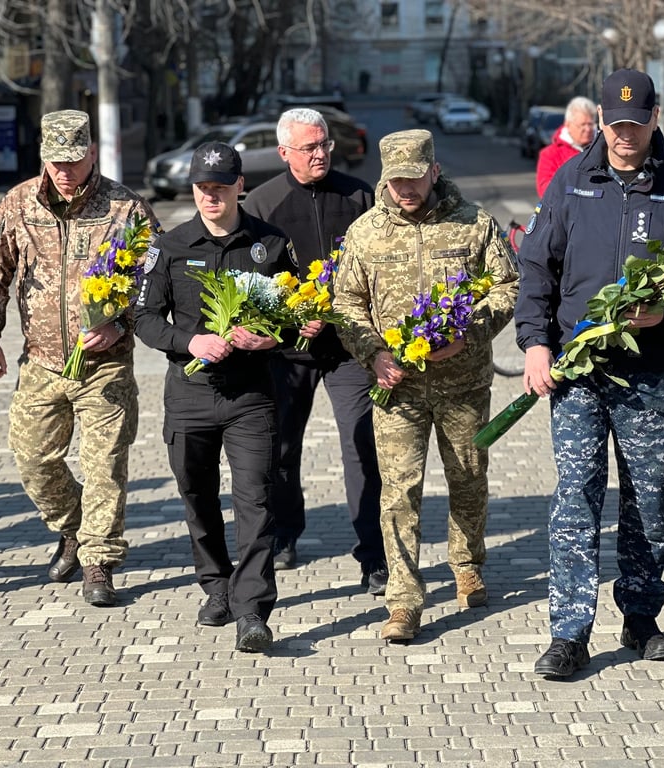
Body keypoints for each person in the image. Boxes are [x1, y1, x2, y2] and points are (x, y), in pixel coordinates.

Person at [515, 69, 664, 679]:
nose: (625, 136)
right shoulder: (572, 180)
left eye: (636, 125)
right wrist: (534, 344)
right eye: (615, 125)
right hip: (579, 373)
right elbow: (535, 267)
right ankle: (569, 632)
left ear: (655, 117)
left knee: (648, 501)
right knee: (575, 498)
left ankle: (640, 617)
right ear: (602, 122)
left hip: (653, 376)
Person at [334, 129, 519, 642]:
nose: (405, 190)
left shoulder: (474, 223)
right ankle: (404, 601)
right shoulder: (365, 233)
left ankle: (466, 562)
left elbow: (509, 285)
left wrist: (471, 332)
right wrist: (373, 353)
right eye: (395, 182)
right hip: (398, 388)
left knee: (467, 475)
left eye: (414, 179)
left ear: (433, 171)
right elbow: (345, 303)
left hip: (463, 381)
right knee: (399, 492)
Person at [0, 109, 157, 608]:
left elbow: (155, 283)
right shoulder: (18, 203)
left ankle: (99, 562)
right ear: (43, 158)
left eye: (74, 159)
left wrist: (121, 324)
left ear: (92, 153)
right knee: (33, 460)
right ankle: (72, 528)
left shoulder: (125, 208)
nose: (66, 171)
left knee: (104, 467)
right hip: (42, 362)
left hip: (107, 365)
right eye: (56, 161)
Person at [134, 141, 297, 653]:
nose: (211, 197)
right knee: (197, 496)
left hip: (252, 396)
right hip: (190, 394)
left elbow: (296, 318)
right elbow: (142, 319)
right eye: (203, 189)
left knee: (256, 499)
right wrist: (189, 342)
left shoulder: (270, 244)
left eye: (221, 188)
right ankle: (215, 586)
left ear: (239, 187)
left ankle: (253, 609)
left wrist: (273, 338)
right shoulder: (171, 245)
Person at [242, 108, 387, 592]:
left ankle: (373, 554)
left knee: (362, 446)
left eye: (324, 144)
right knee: (281, 449)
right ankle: (284, 534)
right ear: (285, 153)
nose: (321, 153)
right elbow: (252, 285)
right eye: (309, 148)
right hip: (286, 353)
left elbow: (378, 269)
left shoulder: (360, 195)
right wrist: (287, 318)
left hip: (347, 347)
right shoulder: (262, 204)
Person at [535, 97, 597, 197]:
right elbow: (546, 190)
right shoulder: (550, 154)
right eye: (582, 125)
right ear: (568, 125)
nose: (588, 129)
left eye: (590, 124)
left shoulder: (603, 149)